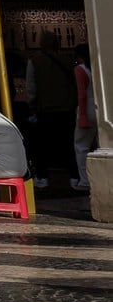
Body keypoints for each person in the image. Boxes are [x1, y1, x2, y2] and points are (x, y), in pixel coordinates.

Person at [25, 31, 77, 187]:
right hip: (67, 108)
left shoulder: (34, 62)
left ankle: (42, 177)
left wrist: (32, 106)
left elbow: (31, 88)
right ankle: (74, 176)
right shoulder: (68, 61)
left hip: (45, 109)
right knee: (68, 143)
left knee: (43, 145)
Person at [72, 43, 98, 192]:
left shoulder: (80, 70)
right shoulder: (94, 68)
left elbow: (81, 95)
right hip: (97, 109)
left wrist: (82, 116)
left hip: (86, 109)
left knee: (81, 146)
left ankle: (84, 181)